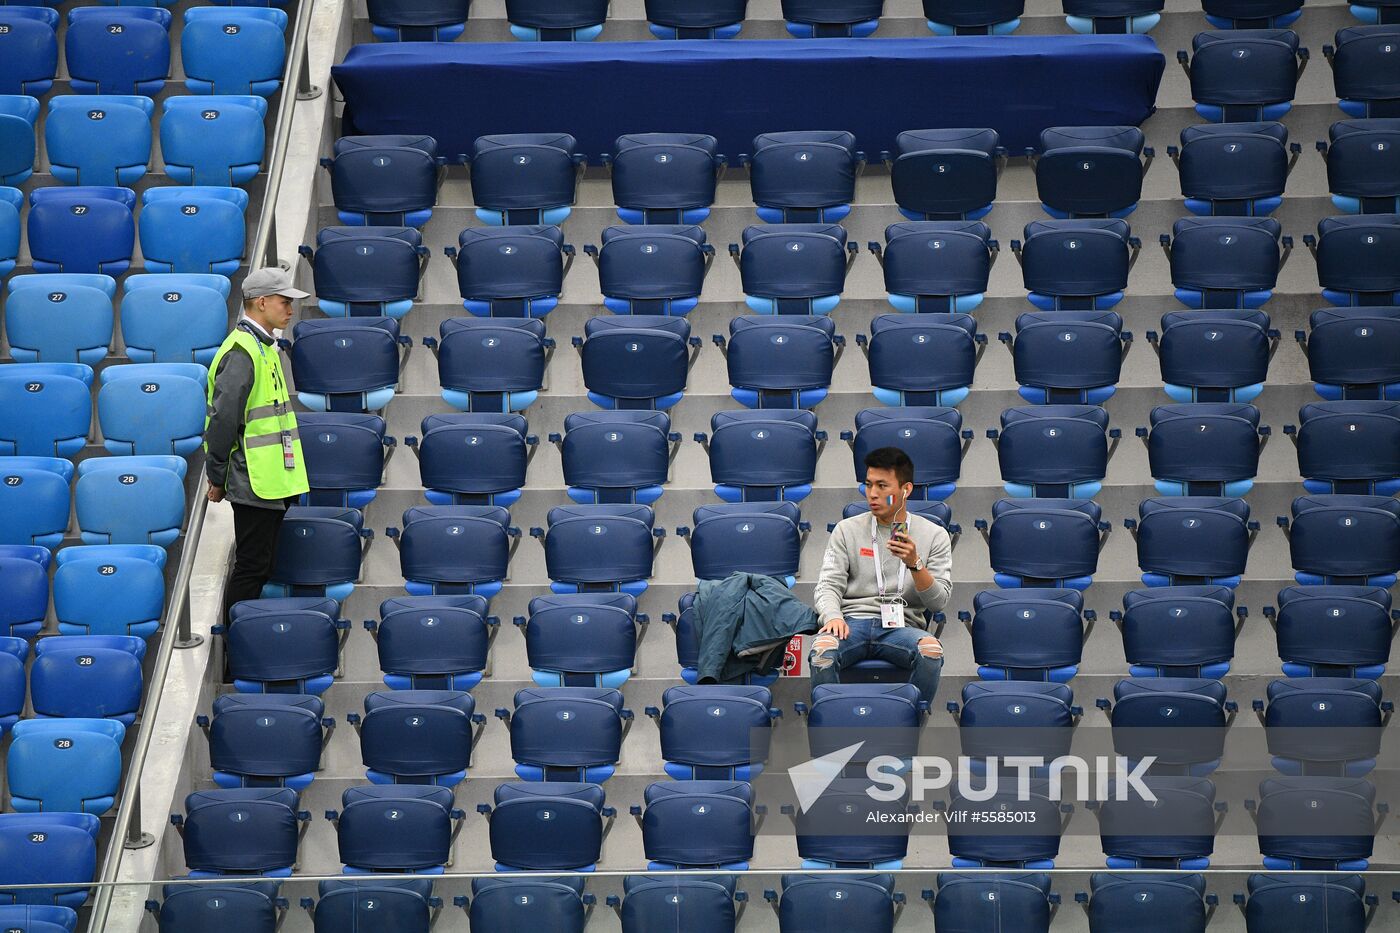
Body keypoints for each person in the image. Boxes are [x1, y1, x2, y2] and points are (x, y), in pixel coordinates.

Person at [204, 267, 312, 622]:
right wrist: (217, 477)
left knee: (259, 566)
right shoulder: (244, 352)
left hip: (267, 480)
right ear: (262, 302)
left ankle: (242, 648)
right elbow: (221, 421)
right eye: (285, 302)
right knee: (252, 567)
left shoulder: (264, 347)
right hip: (252, 480)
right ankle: (236, 654)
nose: (290, 310)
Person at [810, 446, 953, 705]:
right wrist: (832, 616)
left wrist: (915, 564)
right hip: (851, 624)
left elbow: (938, 602)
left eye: (882, 486)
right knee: (822, 651)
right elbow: (828, 584)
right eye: (868, 485)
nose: (872, 494)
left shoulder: (934, 535)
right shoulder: (847, 529)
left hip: (903, 627)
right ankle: (833, 728)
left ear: (906, 489)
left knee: (931, 650)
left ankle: (910, 723)